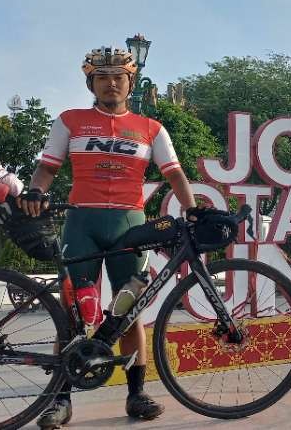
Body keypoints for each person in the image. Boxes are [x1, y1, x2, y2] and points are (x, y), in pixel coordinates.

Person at [20, 46, 197, 428]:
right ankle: (59, 400)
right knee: (71, 315)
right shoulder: (69, 121)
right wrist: (35, 190)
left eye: (119, 76)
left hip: (129, 225)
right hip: (81, 222)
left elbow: (175, 174)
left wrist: (192, 207)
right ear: (91, 83)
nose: (111, 83)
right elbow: (46, 168)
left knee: (128, 312)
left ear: (130, 82)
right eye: (102, 77)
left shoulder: (151, 128)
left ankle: (136, 395)